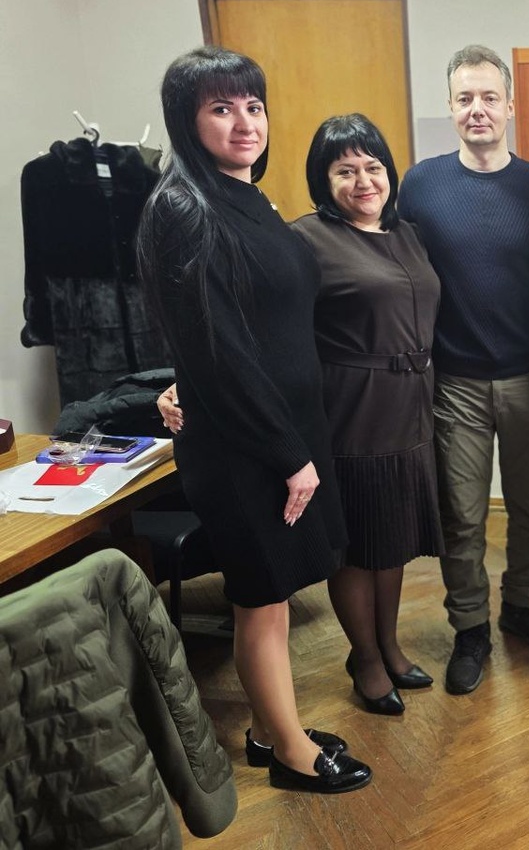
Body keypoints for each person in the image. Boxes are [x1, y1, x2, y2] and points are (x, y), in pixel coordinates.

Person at [136, 46, 370, 794]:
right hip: (246, 444)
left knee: (274, 591)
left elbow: (242, 320)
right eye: (221, 108)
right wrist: (287, 454)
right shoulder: (182, 209)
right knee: (261, 598)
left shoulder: (248, 198)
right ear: (187, 120)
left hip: (284, 426)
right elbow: (218, 349)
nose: (245, 123)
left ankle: (274, 727)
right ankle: (290, 755)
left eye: (253, 106)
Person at [160, 113, 443, 714]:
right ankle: (365, 659)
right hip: (348, 407)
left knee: (392, 537)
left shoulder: (408, 234)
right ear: (323, 180)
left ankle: (389, 646)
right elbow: (248, 324)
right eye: (345, 171)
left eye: (372, 167)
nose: (363, 181)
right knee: (357, 541)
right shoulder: (305, 239)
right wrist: (181, 381)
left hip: (411, 408)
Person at [396, 45, 529, 696]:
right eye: (465, 98)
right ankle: (470, 628)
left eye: (489, 97)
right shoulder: (421, 185)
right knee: (463, 517)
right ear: (450, 106)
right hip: (455, 380)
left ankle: (521, 605)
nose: (478, 109)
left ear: (509, 105)